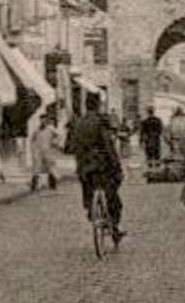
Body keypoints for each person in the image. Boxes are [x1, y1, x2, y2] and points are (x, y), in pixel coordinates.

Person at [67, 92, 124, 242]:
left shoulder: (78, 123)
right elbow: (108, 146)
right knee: (114, 197)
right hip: (100, 166)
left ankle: (91, 209)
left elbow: (70, 146)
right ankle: (115, 228)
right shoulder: (100, 122)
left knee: (88, 190)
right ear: (98, 105)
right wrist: (117, 166)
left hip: (84, 168)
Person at [29, 115, 59, 192]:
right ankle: (34, 184)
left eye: (45, 120)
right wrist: (33, 150)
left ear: (47, 121)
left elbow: (58, 136)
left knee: (51, 168)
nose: (43, 122)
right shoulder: (36, 130)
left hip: (48, 151)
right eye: (42, 120)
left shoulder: (50, 129)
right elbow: (32, 139)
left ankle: (53, 184)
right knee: (36, 168)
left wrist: (54, 142)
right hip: (39, 151)